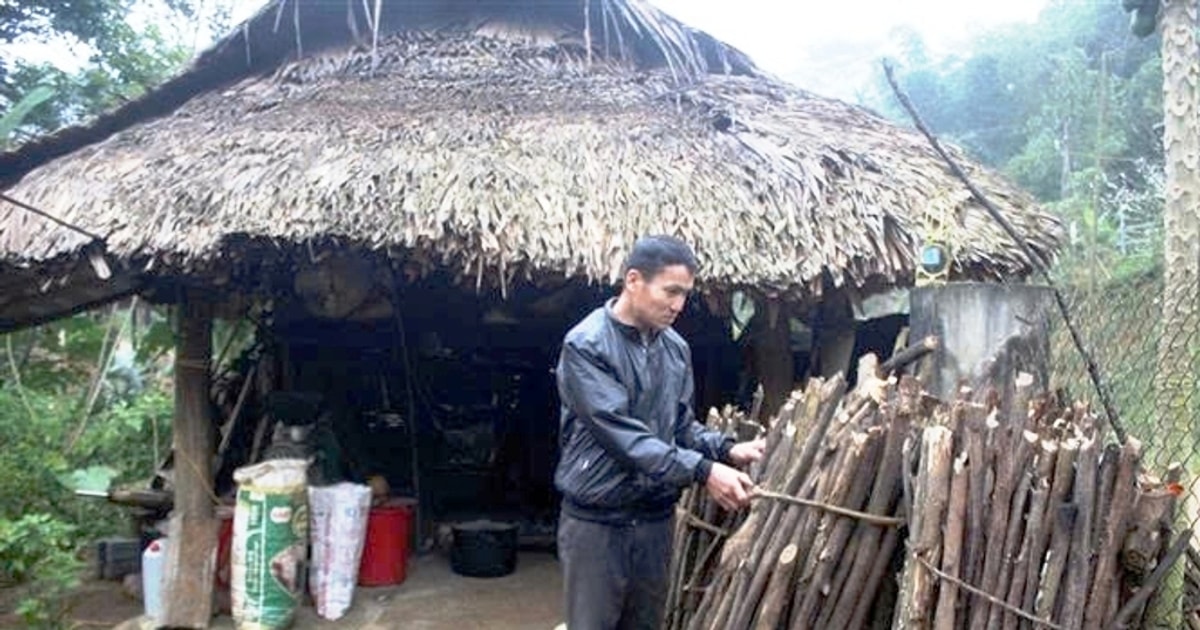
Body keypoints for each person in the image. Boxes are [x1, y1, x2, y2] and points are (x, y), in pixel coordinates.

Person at [553, 234, 766, 630]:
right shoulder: (585, 346)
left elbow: (680, 426)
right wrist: (704, 471)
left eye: (685, 294)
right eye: (670, 292)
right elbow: (624, 436)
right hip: (598, 523)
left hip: (654, 521)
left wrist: (727, 449)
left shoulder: (675, 349)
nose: (679, 305)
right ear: (634, 280)